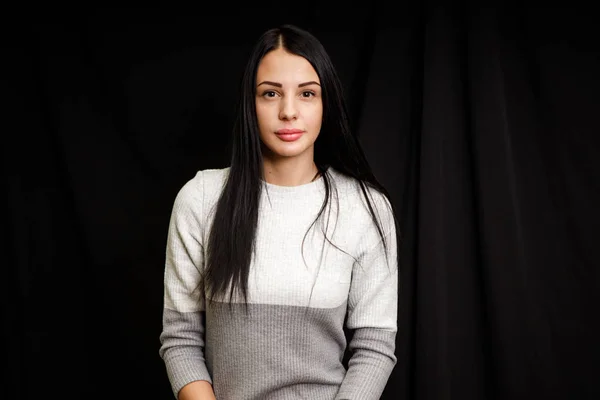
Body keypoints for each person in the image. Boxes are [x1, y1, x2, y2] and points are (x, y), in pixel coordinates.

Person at [159, 23, 400, 400]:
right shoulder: (201, 198)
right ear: (250, 104)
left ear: (326, 104)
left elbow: (374, 347)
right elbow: (180, 338)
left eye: (307, 94)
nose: (289, 111)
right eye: (270, 93)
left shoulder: (364, 208)